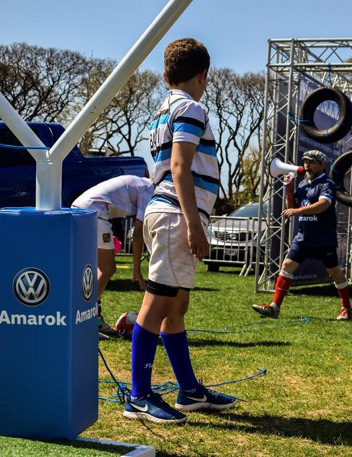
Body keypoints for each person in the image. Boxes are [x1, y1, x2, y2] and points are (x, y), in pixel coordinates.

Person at [123, 38, 236, 425]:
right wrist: (193, 224)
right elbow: (179, 166)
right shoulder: (191, 107)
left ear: (165, 76)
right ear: (204, 75)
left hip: (164, 211)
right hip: (176, 214)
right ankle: (139, 396)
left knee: (176, 304)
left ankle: (189, 390)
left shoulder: (162, 112)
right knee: (157, 304)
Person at [252, 149, 352, 321]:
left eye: (311, 162)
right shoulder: (303, 184)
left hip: (323, 238)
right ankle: (275, 307)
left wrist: (298, 211)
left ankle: (346, 308)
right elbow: (291, 206)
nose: (306, 165)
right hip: (303, 237)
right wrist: (289, 190)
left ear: (322, 165)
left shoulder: (327, 183)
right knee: (286, 266)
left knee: (334, 271)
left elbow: (323, 205)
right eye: (305, 161)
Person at [72, 174, 153, 340]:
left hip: (82, 207)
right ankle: (87, 318)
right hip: (95, 211)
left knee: (95, 268)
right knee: (107, 268)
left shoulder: (143, 184)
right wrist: (137, 270)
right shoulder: (149, 191)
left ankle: (90, 317)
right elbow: (138, 234)